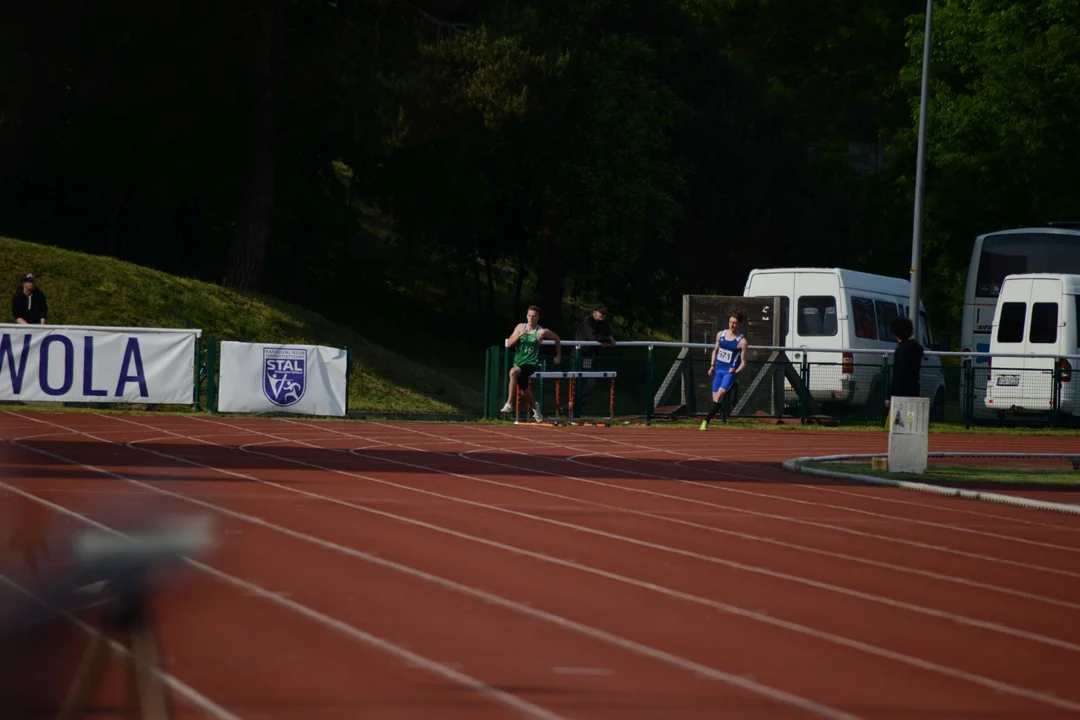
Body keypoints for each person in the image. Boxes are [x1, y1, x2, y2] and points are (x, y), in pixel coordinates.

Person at [500, 305, 562, 422]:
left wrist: (558, 356)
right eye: (529, 316)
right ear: (526, 316)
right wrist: (519, 335)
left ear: (538, 317)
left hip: (531, 363)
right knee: (524, 391)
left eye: (534, 316)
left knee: (513, 372)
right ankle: (535, 409)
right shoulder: (520, 327)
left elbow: (557, 338)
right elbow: (509, 344)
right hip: (518, 362)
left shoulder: (541, 332)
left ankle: (509, 403)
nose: (531, 318)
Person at [700, 311, 748, 431]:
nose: (732, 325)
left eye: (735, 323)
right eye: (730, 322)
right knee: (716, 399)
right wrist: (712, 366)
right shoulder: (720, 335)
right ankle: (731, 387)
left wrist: (735, 371)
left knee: (721, 393)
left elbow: (743, 362)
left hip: (729, 372)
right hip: (718, 370)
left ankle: (705, 421)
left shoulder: (742, 342)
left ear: (739, 324)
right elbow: (715, 351)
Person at [570, 303, 616, 413]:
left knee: (590, 383)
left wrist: (609, 340)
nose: (603, 315)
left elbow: (612, 335)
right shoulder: (588, 322)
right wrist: (607, 340)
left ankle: (576, 406)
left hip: (590, 357)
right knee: (577, 383)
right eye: (601, 313)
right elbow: (594, 337)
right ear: (594, 312)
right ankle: (572, 408)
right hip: (579, 356)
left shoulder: (604, 323)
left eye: (605, 313)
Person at [886, 315, 924, 409]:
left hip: (901, 393)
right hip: (914, 389)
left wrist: (890, 396)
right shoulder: (917, 348)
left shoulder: (901, 350)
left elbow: (898, 375)